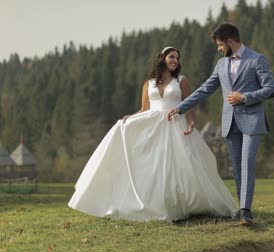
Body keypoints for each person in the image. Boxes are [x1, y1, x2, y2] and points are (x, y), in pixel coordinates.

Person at [68, 46, 237, 222]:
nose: (175, 61)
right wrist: (130, 118)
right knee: (151, 163)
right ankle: (154, 204)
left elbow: (189, 103)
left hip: (175, 124)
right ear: (162, 58)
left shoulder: (181, 81)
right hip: (153, 126)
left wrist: (192, 121)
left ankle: (184, 203)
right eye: (172, 57)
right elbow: (144, 108)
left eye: (177, 58)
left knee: (179, 165)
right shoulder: (148, 84)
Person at [168, 23, 274, 226]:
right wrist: (181, 107)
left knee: (247, 163)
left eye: (219, 45)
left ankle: (245, 210)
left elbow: (271, 88)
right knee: (237, 166)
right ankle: (242, 208)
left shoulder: (256, 59)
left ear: (229, 41)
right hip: (230, 122)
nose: (218, 49)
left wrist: (245, 97)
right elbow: (205, 89)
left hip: (252, 120)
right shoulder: (221, 65)